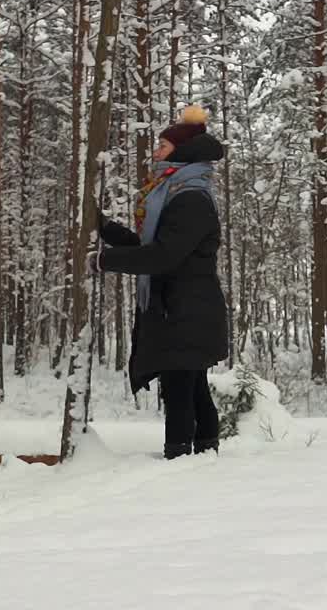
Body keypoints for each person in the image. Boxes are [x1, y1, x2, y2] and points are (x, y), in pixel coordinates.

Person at [90, 105, 228, 459]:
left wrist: (106, 260)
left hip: (186, 307)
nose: (156, 152)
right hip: (180, 305)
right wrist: (106, 229)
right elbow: (155, 248)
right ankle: (205, 456)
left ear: (182, 152)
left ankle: (179, 460)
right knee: (191, 383)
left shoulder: (191, 197)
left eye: (163, 146)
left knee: (181, 386)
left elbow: (165, 255)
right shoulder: (175, 192)